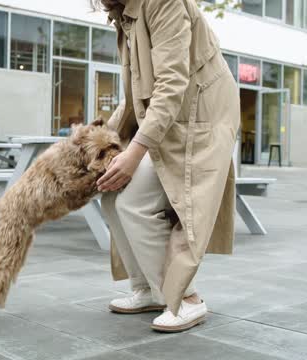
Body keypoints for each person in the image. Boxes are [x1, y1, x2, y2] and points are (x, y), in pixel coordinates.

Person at [92, 0, 240, 333]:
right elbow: (136, 93)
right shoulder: (124, 14)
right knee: (114, 198)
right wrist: (104, 137)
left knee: (133, 199)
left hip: (200, 119)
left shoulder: (163, 2)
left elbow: (171, 83)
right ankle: (147, 289)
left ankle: (185, 299)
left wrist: (134, 153)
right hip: (171, 119)